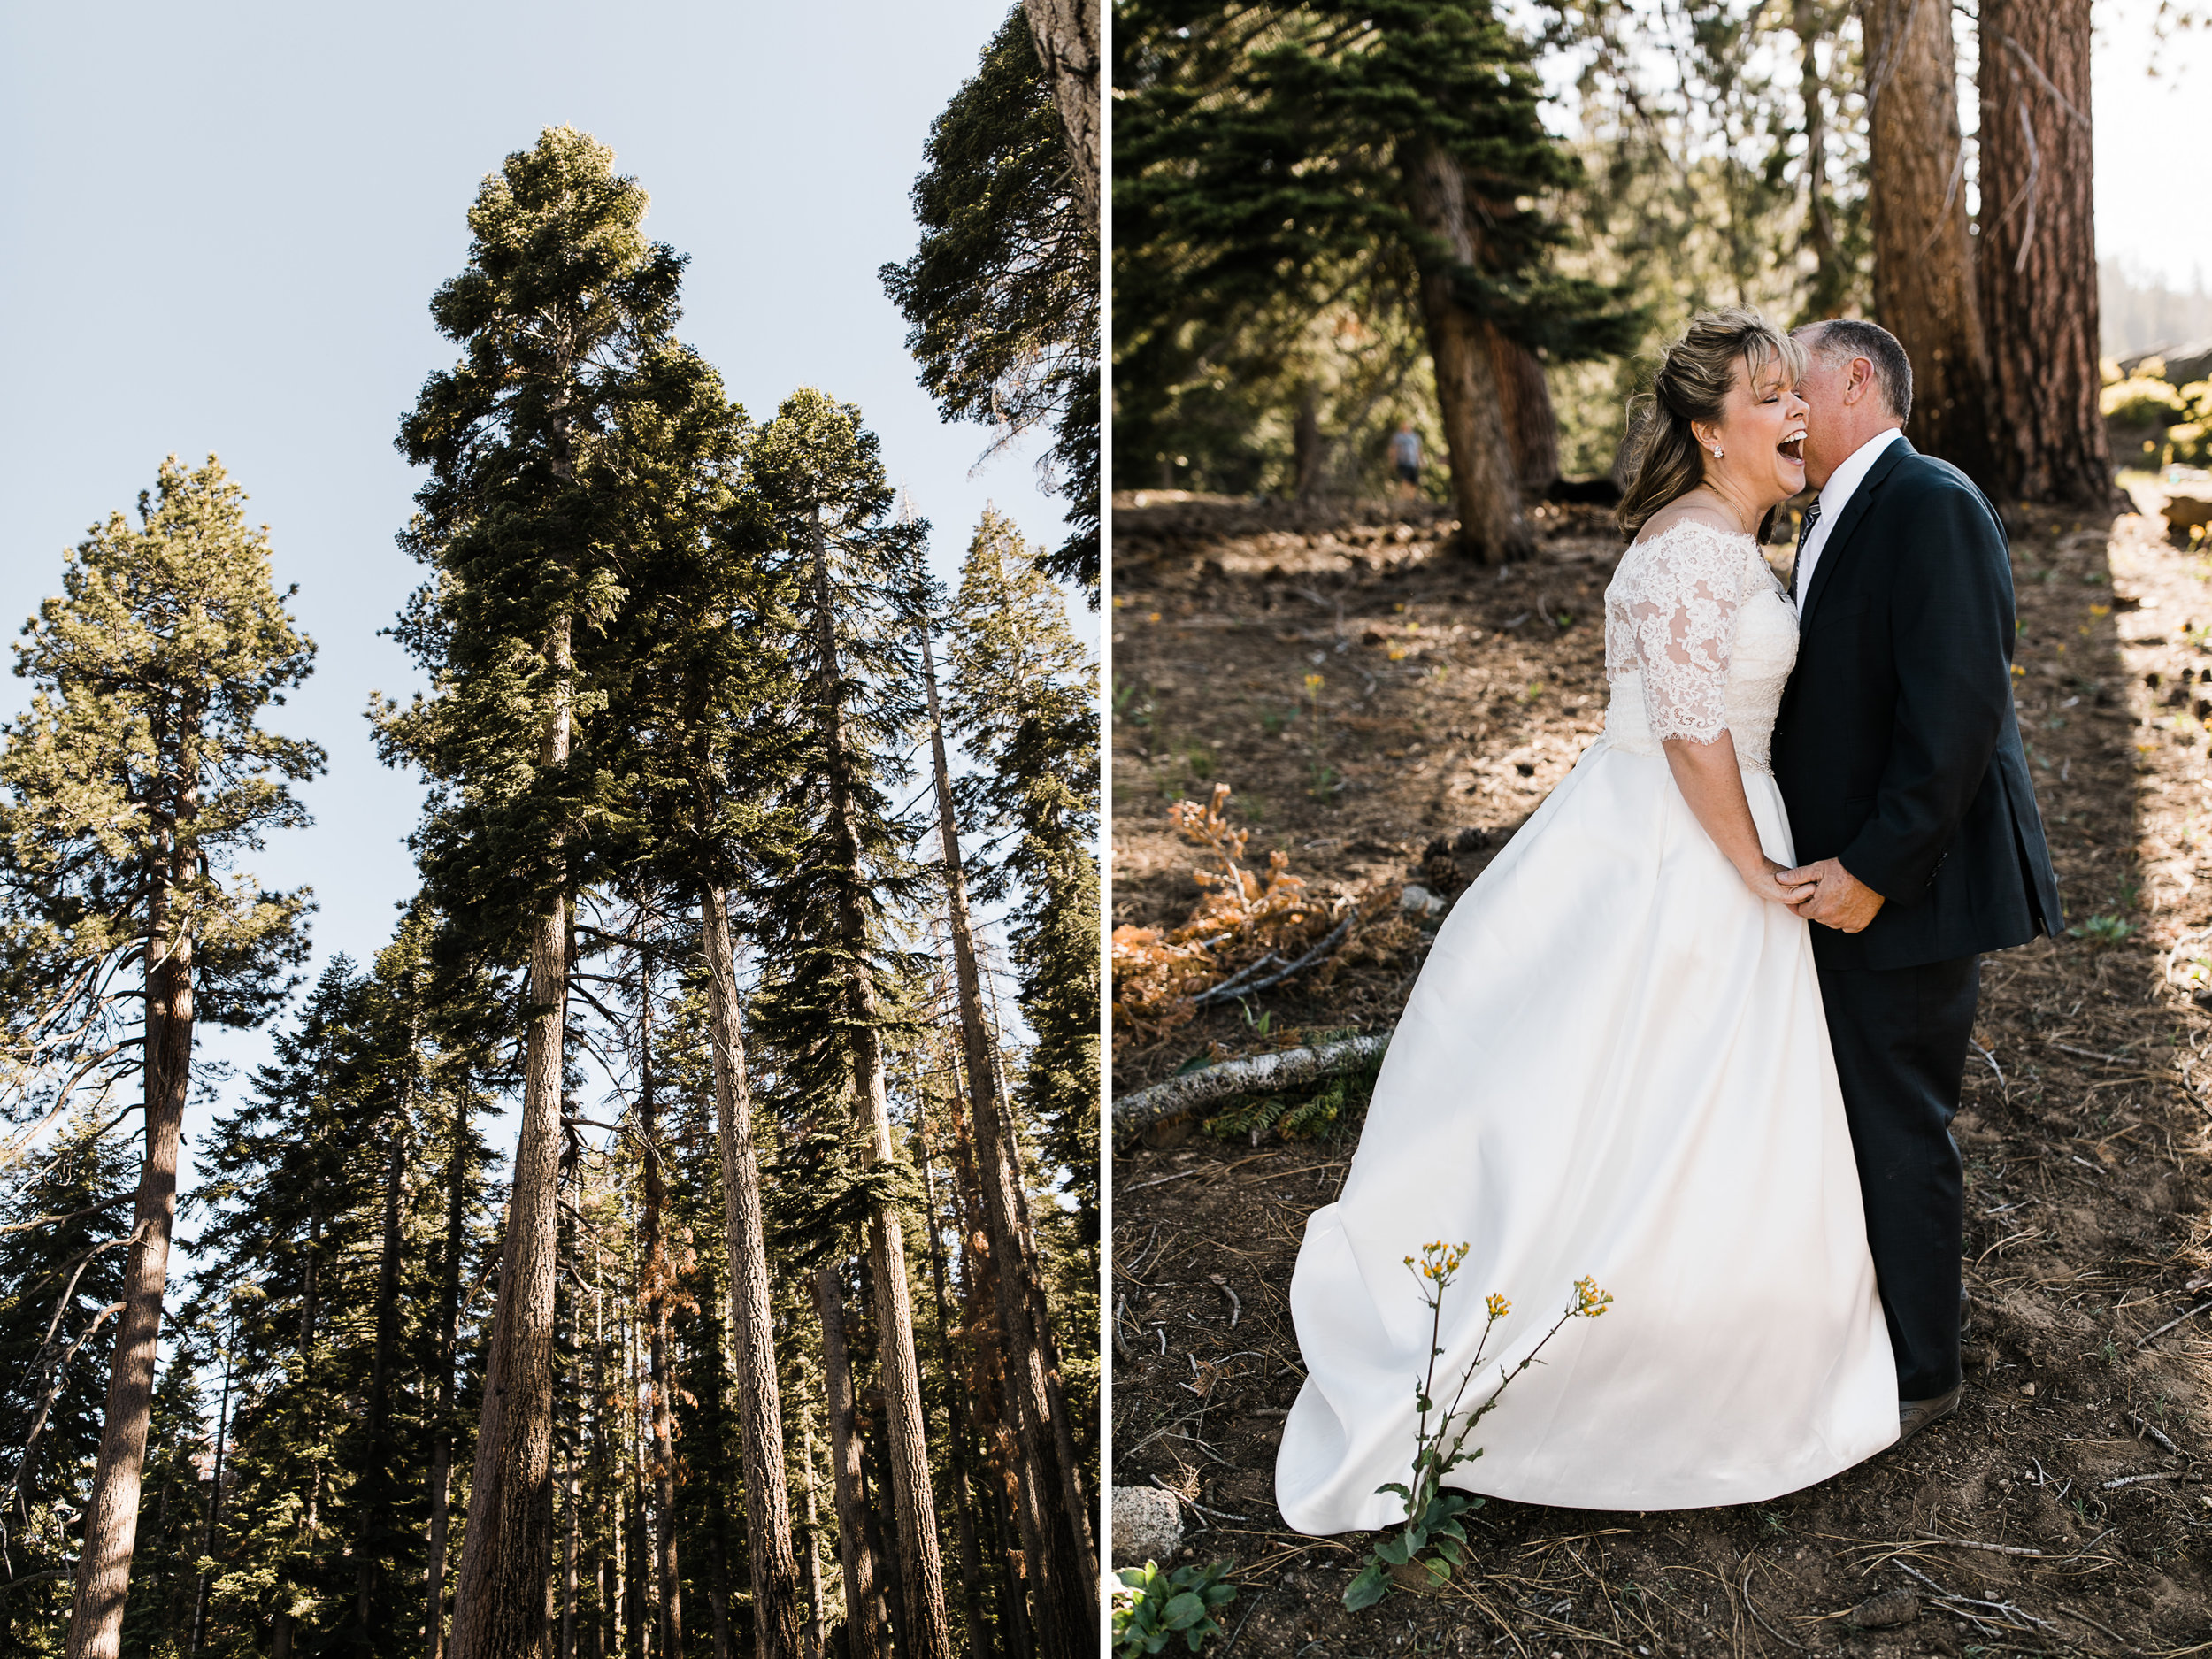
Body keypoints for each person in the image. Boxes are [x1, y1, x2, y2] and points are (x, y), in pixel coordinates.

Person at [1276, 309, 1898, 1525]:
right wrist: (1756, 869)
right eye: (1768, 398)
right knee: (1632, 1094)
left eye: (1794, 394)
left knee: (1702, 1104)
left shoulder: (1729, 539)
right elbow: (1687, 730)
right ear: (1709, 432)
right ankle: (1608, 1357)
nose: (1792, 415)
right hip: (1676, 844)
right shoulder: (1687, 550)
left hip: (1710, 825)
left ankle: (1728, 1331)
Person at [1773, 318, 2062, 1441]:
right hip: (1847, 876)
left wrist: (1874, 872)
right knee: (1854, 1109)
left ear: (1856, 379)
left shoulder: (1931, 499)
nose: (1785, 408)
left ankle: (1919, 1373)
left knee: (1897, 1118)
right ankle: (1864, 1333)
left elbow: (1956, 715)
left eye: (1794, 385)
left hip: (1910, 884)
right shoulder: (1831, 515)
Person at [1391, 420, 1422, 497]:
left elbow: (1418, 449)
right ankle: (1404, 498)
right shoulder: (1398, 437)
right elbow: (1394, 449)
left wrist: (1420, 460)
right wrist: (1393, 460)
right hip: (1403, 462)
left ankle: (1411, 498)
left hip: (1413, 462)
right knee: (1405, 480)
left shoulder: (1415, 437)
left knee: (1414, 482)